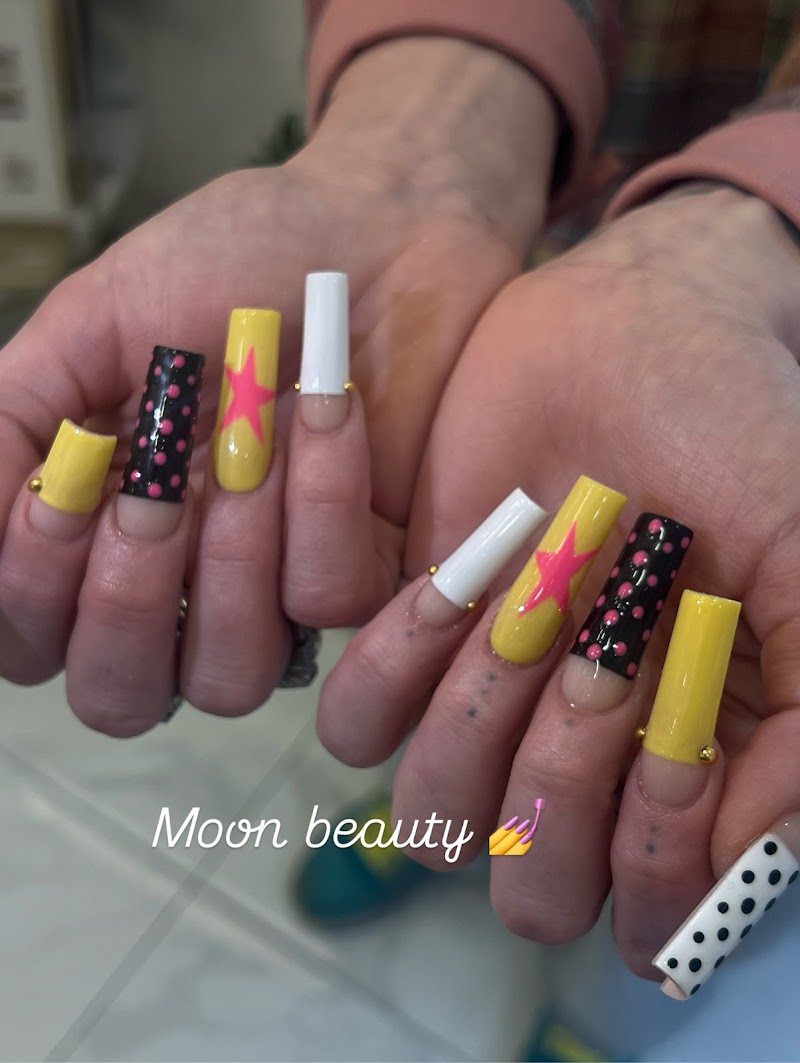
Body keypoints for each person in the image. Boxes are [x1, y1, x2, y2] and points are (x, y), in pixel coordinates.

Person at [2, 0, 800, 999]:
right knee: (464, 670)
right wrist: (418, 137)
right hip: (550, 217)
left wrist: (759, 232)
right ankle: (446, 813)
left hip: (776, 346)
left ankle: (606, 1019)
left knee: (691, 822)